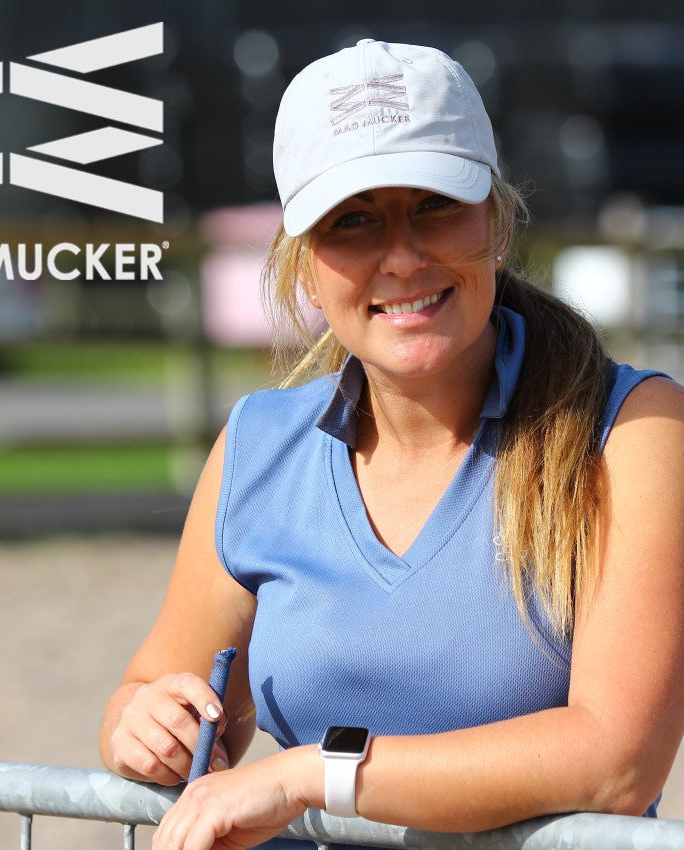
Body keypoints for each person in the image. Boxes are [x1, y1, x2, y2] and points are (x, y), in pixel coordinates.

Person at [99, 39, 684, 849]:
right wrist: (142, 725)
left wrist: (314, 774)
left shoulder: (632, 431)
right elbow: (147, 693)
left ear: (496, 223)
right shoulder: (260, 445)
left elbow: (616, 763)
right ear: (304, 265)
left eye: (436, 205)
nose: (403, 257)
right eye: (354, 221)